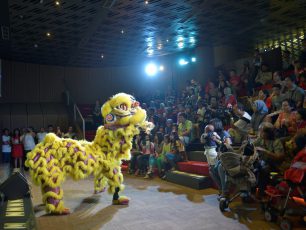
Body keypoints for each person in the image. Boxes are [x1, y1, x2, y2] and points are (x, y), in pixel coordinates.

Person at [253, 123, 285, 198]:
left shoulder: (276, 142)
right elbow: (253, 145)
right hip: (262, 162)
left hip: (274, 164)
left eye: (261, 131)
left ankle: (261, 193)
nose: (259, 133)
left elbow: (279, 157)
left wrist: (265, 151)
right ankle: (251, 190)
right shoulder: (260, 139)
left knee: (263, 169)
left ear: (268, 133)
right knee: (252, 166)